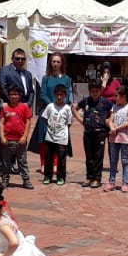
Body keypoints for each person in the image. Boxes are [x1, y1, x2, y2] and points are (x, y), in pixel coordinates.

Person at [37, 53, 73, 181]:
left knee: (59, 140)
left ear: (61, 63)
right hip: (48, 111)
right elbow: (43, 94)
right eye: (53, 61)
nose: (55, 64)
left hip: (62, 111)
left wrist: (61, 105)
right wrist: (52, 106)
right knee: (45, 139)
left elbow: (69, 95)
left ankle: (56, 165)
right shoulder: (46, 78)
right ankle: (43, 164)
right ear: (50, 63)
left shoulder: (67, 78)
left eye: (58, 62)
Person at [75, 77, 113, 189]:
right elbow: (75, 108)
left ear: (100, 90)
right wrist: (81, 120)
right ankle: (89, 177)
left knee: (98, 157)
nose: (94, 93)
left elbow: (113, 111)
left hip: (100, 133)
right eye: (92, 91)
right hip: (87, 133)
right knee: (89, 156)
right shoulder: (86, 101)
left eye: (97, 91)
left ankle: (97, 178)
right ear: (89, 90)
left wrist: (108, 122)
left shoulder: (105, 102)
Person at [39, 83, 74, 186]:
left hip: (62, 138)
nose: (59, 97)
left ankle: (61, 177)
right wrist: (51, 128)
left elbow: (69, 123)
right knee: (48, 158)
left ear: (65, 96)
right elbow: (45, 118)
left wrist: (61, 130)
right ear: (54, 95)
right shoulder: (50, 106)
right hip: (50, 137)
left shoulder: (67, 108)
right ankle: (47, 176)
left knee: (61, 159)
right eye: (57, 94)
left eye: (61, 95)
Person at [0, 85, 34, 189]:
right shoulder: (5, 108)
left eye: (16, 94)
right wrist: (2, 137)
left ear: (20, 95)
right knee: (6, 163)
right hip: (7, 140)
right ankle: (5, 180)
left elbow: (28, 122)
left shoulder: (24, 107)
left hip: (20, 140)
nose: (14, 96)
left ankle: (26, 180)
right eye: (11, 94)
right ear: (8, 96)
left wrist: (25, 136)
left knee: (22, 162)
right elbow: (1, 123)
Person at [105, 80, 128, 193]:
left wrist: (116, 128)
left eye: (117, 96)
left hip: (124, 138)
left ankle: (125, 182)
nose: (115, 98)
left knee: (124, 160)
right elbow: (110, 119)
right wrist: (111, 127)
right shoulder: (114, 107)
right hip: (114, 138)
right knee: (113, 160)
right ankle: (111, 181)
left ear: (123, 96)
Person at [0, 49, 38, 120]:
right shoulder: (4, 71)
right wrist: (14, 103)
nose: (20, 61)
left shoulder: (28, 74)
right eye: (17, 58)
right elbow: (3, 88)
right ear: (12, 59)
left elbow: (31, 91)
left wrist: (28, 104)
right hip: (10, 108)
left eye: (23, 59)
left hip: (24, 109)